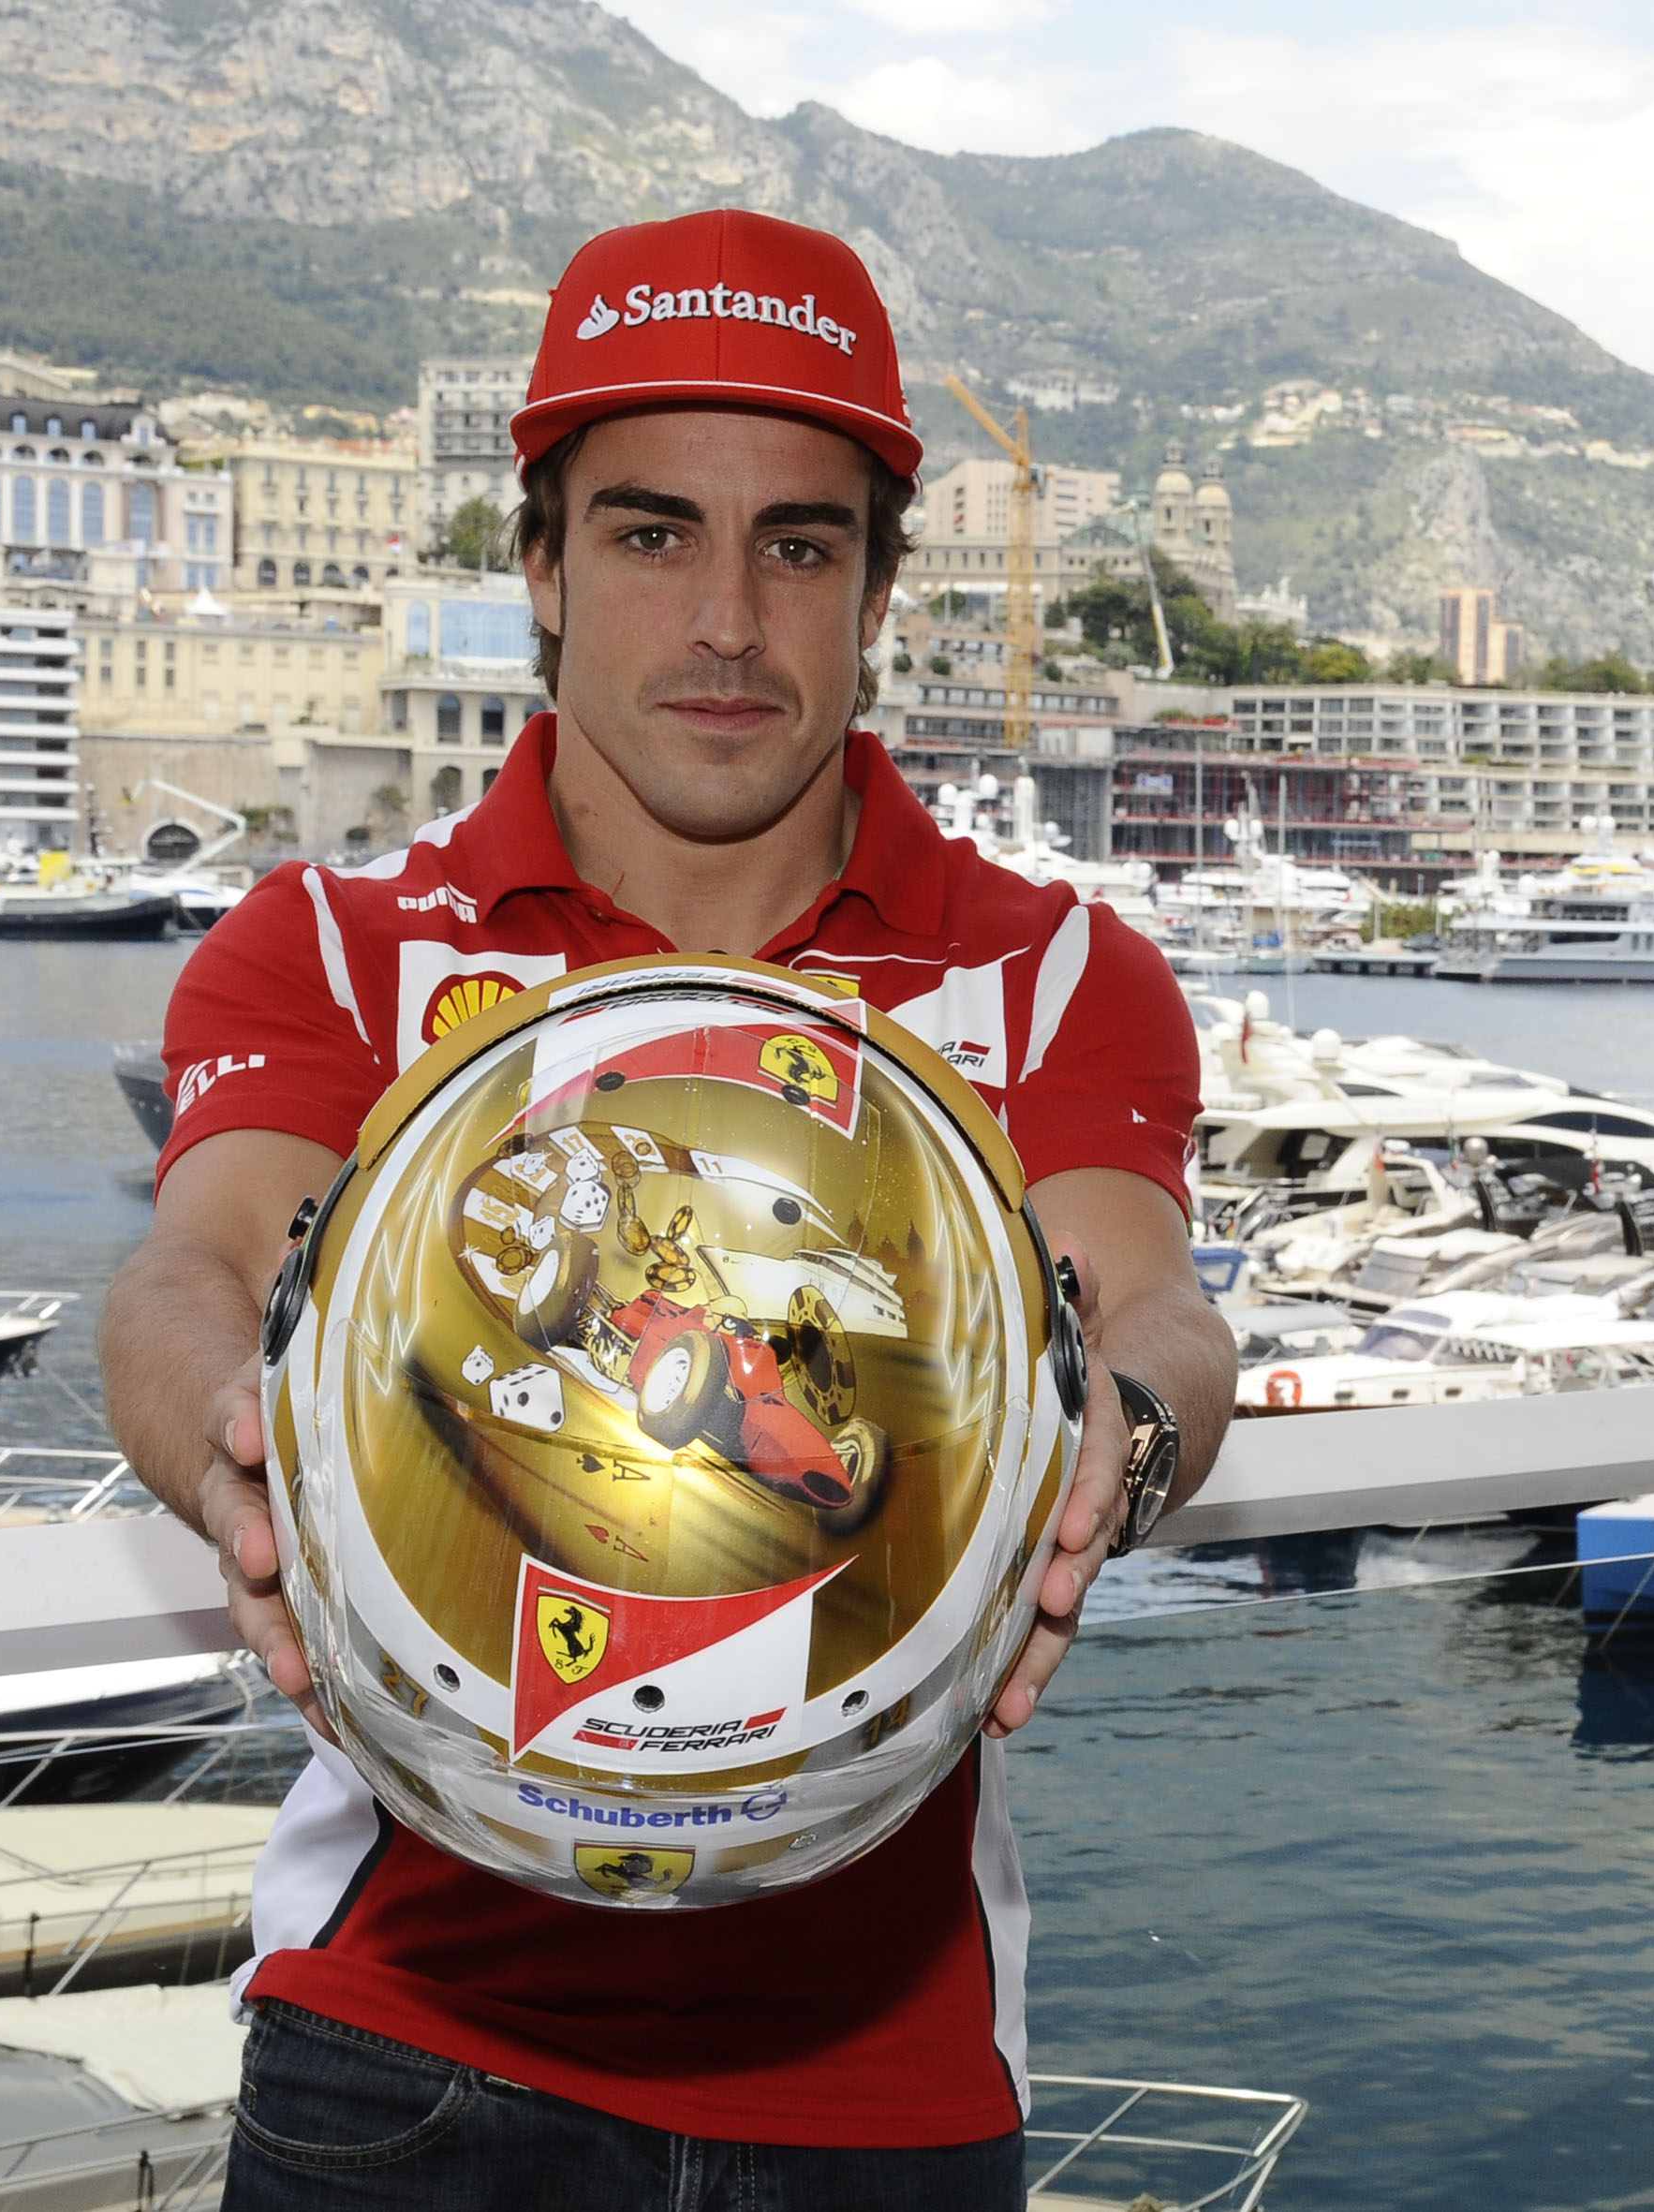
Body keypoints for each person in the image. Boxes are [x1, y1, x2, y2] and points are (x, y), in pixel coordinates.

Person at [98, 207, 1236, 2211]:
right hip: (406, 2052)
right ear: (540, 569)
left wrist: (1117, 1447)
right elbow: (190, 1271)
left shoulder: (1052, 971)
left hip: (887, 2094)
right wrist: (229, 1446)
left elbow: (1149, 1311)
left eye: (796, 545)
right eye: (649, 534)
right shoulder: (340, 944)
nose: (725, 620)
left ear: (877, 591)